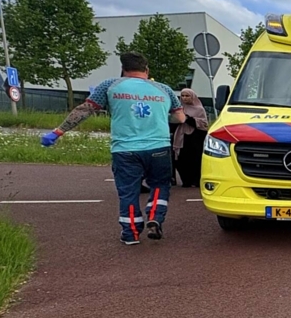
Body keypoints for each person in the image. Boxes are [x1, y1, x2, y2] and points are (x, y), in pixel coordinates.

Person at [41, 53, 185, 245]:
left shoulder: (110, 86)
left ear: (123, 69)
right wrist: (158, 116)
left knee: (129, 192)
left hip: (125, 149)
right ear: (147, 70)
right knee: (160, 185)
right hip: (158, 147)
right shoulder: (164, 89)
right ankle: (155, 217)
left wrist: (58, 132)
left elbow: (84, 110)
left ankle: (131, 233)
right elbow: (180, 118)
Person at [173, 88, 209, 187]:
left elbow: (203, 124)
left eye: (187, 96)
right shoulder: (179, 109)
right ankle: (186, 181)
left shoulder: (199, 109)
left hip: (194, 138)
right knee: (181, 160)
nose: (184, 98)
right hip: (181, 137)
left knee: (195, 160)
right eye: (182, 96)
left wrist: (188, 118)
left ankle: (196, 180)